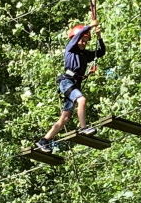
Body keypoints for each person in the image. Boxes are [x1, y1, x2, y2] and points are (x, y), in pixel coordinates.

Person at [36, 22, 106, 152]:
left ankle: (44, 140)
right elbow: (78, 34)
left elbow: (101, 52)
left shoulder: (85, 54)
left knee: (65, 118)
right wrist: (90, 26)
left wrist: (99, 36)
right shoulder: (70, 48)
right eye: (82, 40)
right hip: (66, 82)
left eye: (86, 41)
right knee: (82, 100)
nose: (84, 43)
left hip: (75, 84)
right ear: (76, 39)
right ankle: (83, 127)